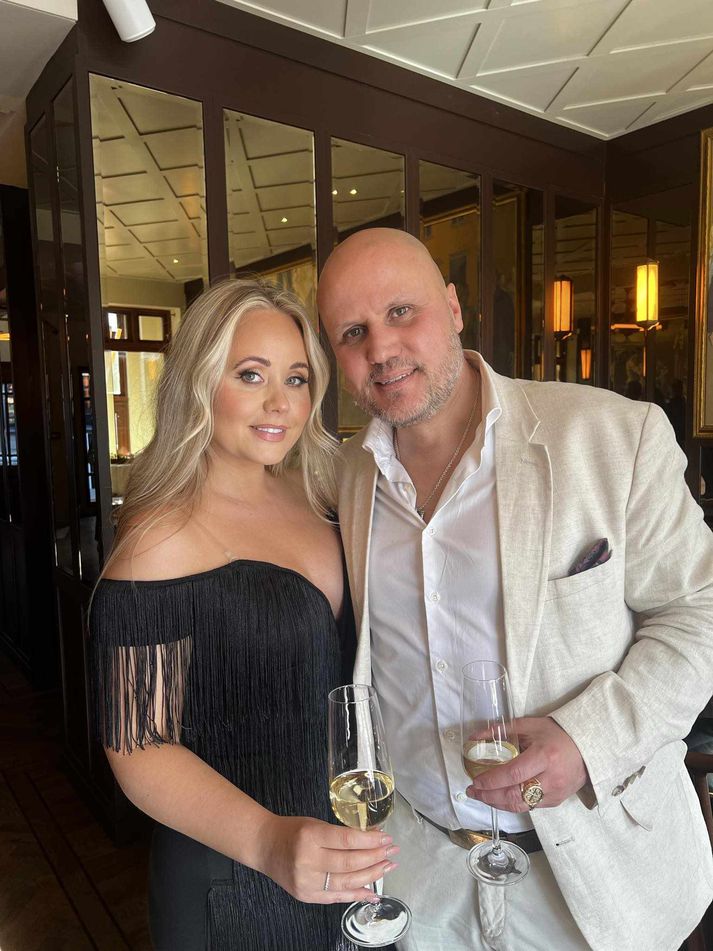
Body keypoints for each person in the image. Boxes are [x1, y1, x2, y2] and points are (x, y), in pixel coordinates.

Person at [317, 228, 713, 951]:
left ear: (453, 308)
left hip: (594, 878)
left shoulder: (612, 436)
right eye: (352, 332)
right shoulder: (346, 477)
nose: (381, 348)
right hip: (425, 880)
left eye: (401, 311)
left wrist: (586, 741)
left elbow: (699, 612)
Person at [89, 279, 399, 951]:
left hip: (341, 854)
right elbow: (137, 744)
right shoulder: (162, 535)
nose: (279, 402)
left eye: (296, 378)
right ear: (200, 383)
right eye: (250, 374)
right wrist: (268, 840)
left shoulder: (321, 496)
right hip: (229, 876)